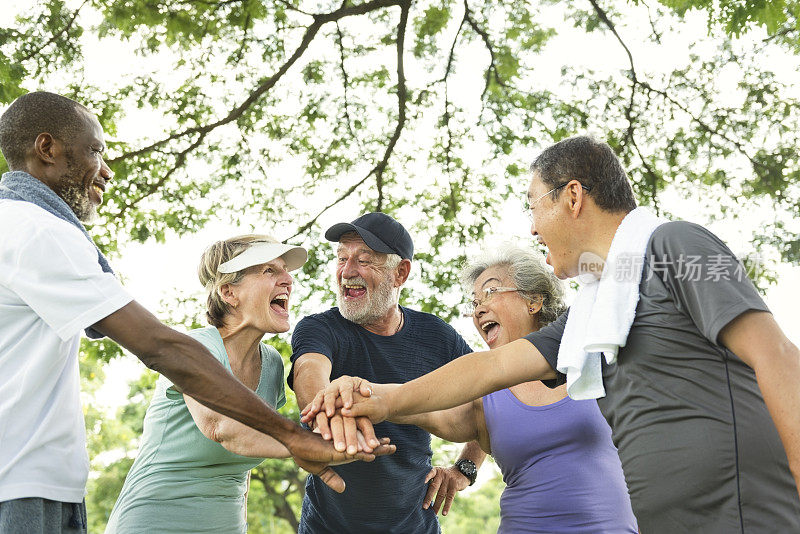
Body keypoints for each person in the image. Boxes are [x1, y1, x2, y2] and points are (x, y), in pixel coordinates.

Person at [305, 136, 800, 533]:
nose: (534, 229)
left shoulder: (674, 244)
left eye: (534, 207)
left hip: (741, 512)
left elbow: (778, 356)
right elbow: (492, 367)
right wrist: (377, 398)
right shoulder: (593, 314)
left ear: (573, 196)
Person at [0, 91, 390, 534]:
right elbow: (161, 348)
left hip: (44, 480)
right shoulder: (35, 229)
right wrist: (297, 439)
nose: (107, 170)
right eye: (96, 150)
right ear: (47, 149)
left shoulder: (273, 364)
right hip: (22, 480)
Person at [105, 234, 391, 533]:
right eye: (269, 271)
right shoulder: (196, 348)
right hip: (153, 521)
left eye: (285, 271)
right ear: (229, 292)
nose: (287, 281)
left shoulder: (272, 364)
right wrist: (310, 446)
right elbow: (224, 429)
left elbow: (245, 459)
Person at [361, 245, 638, 532]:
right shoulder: (484, 397)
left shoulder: (593, 359)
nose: (479, 309)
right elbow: (418, 408)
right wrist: (362, 394)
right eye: (474, 302)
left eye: (491, 292)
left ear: (534, 301)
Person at [289, 212, 482, 533]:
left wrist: (465, 469)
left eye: (363, 260)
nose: (347, 271)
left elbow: (487, 400)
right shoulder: (319, 327)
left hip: (415, 525)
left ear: (400, 273)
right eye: (341, 258)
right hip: (328, 526)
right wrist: (326, 413)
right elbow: (309, 371)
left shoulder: (437, 335)